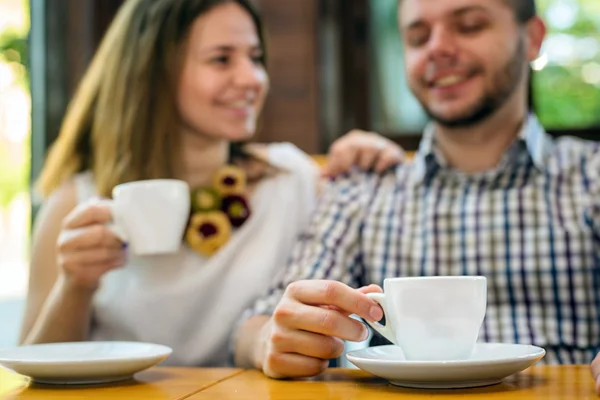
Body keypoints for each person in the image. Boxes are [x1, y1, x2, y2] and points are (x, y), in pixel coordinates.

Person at [234, 0, 600, 389]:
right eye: (418, 36)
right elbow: (256, 327)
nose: (437, 48)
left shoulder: (591, 179)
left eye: (470, 25)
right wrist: (270, 338)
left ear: (531, 39)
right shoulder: (362, 190)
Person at [19, 0, 405, 367]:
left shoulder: (293, 179)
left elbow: (353, 212)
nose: (251, 79)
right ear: (153, 72)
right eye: (221, 59)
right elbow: (31, 372)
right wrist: (75, 286)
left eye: (255, 58)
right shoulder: (78, 202)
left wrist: (368, 154)